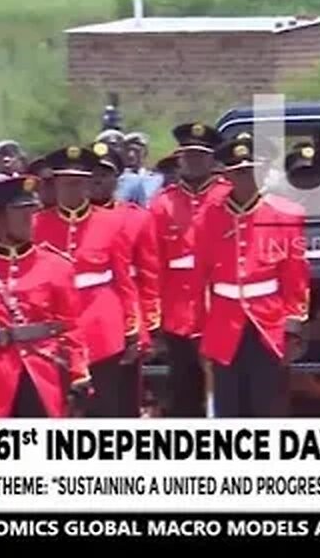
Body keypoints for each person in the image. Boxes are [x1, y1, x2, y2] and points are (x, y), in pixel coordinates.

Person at [0, 175, 91, 418]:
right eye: (19, 212)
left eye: (32, 211)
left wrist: (78, 373)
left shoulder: (57, 265)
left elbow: (71, 326)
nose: (29, 219)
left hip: (42, 373)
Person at [194, 133, 309, 418]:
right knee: (229, 404)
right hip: (224, 321)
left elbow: (295, 273)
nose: (246, 180)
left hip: (267, 320)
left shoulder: (285, 215)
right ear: (228, 176)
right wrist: (200, 328)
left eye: (251, 172)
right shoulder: (209, 217)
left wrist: (293, 324)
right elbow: (200, 276)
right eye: (239, 173)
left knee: (267, 401)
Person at [33, 145, 140, 418]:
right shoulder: (37, 225)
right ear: (54, 185)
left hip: (102, 328)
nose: (72, 190)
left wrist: (132, 327)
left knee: (104, 408)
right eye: (66, 183)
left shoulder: (112, 222)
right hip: (55, 331)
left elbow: (123, 279)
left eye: (79, 183)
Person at [148, 123, 228, 417]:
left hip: (221, 310)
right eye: (188, 155)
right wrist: (153, 316)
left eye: (200, 156)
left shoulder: (227, 197)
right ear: (180, 158)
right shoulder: (162, 204)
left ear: (212, 160)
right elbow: (152, 263)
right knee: (183, 393)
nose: (194, 161)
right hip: (178, 312)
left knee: (227, 391)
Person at [89, 140, 159, 417]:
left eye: (105, 174)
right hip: (86, 312)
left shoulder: (135, 218)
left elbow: (149, 273)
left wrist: (149, 323)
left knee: (123, 398)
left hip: (127, 313)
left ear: (117, 178)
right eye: (92, 174)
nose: (97, 180)